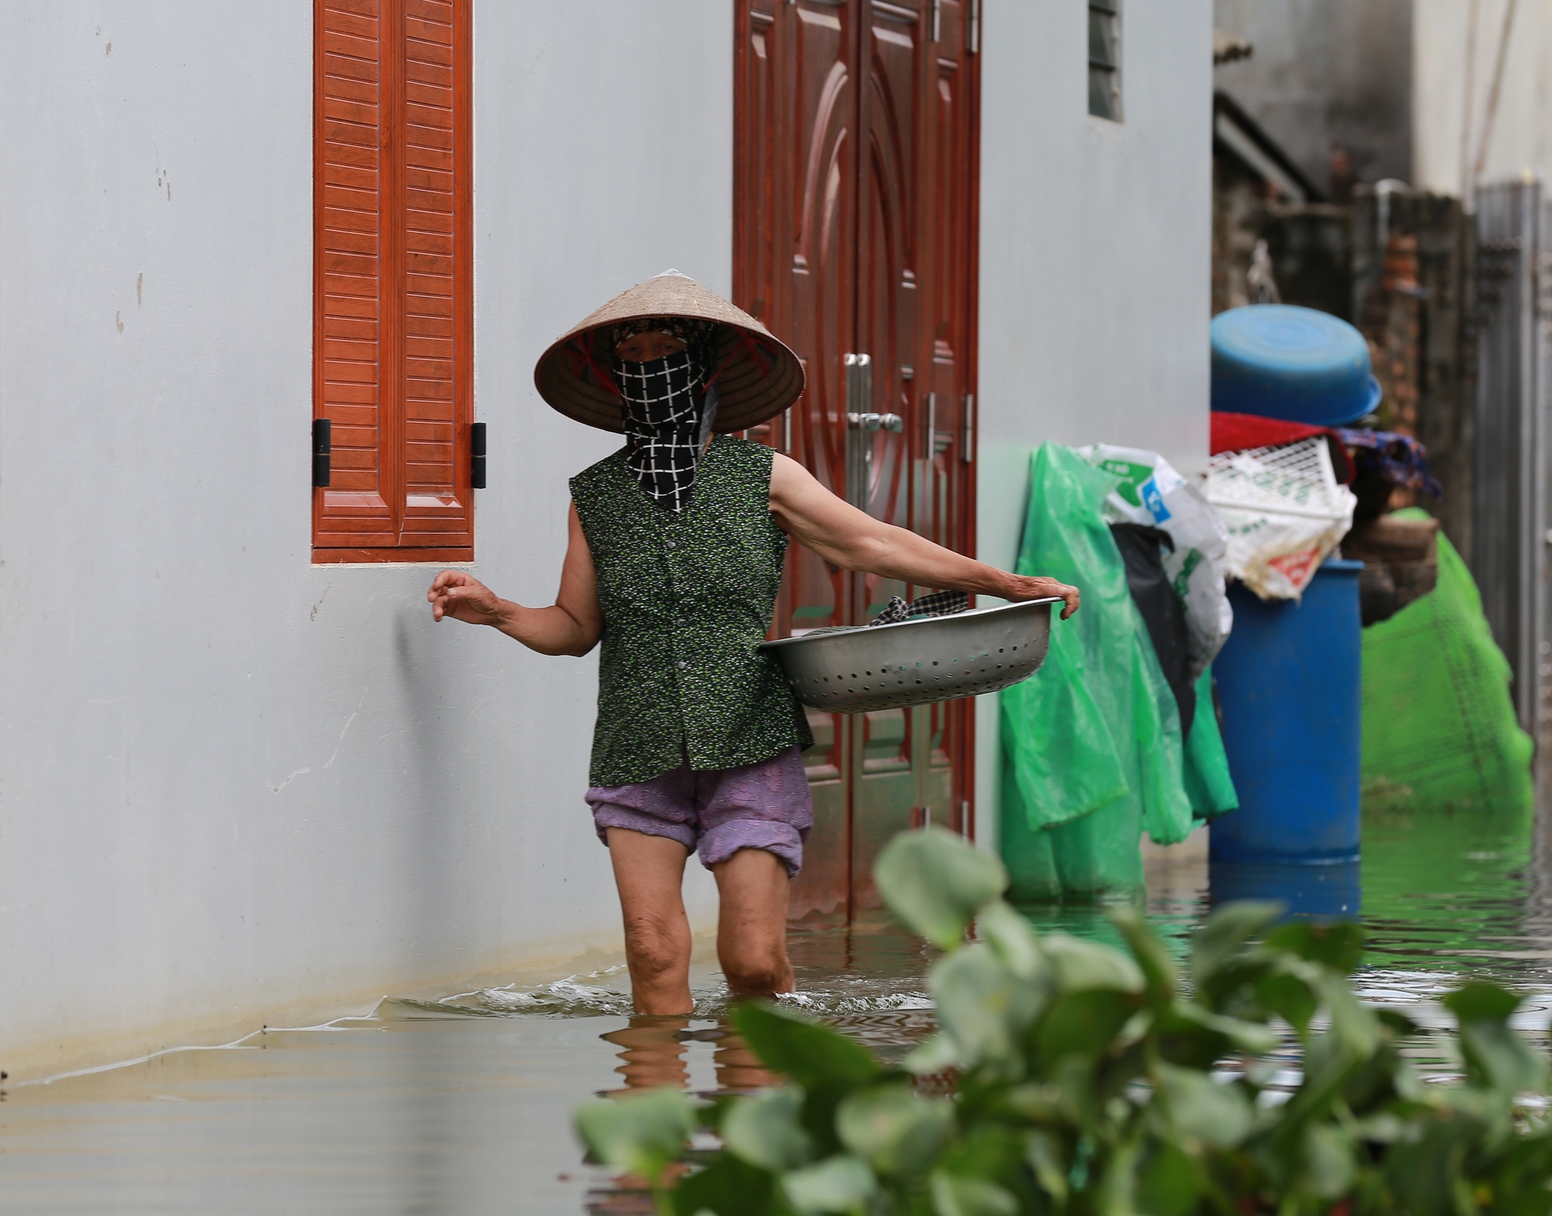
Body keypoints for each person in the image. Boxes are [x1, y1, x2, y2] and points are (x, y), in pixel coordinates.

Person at [427, 271, 1078, 1015]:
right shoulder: (595, 498)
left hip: (749, 740)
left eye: (666, 346)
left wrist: (1009, 583)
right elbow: (576, 629)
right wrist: (498, 610)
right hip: (637, 745)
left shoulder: (763, 475)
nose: (648, 363)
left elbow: (872, 543)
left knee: (754, 962)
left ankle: (762, 1109)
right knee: (653, 952)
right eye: (631, 353)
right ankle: (656, 1122)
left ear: (702, 365)